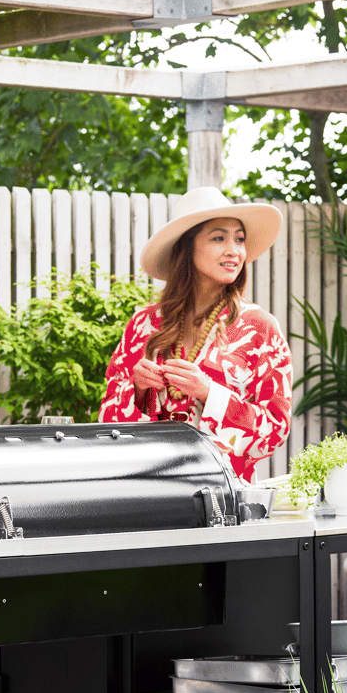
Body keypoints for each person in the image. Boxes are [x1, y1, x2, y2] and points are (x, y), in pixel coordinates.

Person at [99, 189, 291, 483]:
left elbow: (275, 432)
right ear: (186, 248)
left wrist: (209, 393)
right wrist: (136, 389)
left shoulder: (259, 328)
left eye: (239, 239)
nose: (234, 250)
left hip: (222, 499)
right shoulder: (143, 325)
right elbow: (105, 421)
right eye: (219, 238)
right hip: (145, 491)